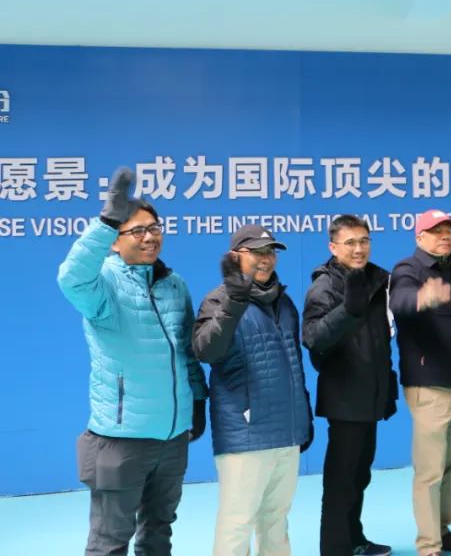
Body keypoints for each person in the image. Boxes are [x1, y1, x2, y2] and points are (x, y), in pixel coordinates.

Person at [57, 167, 208, 556]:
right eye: (137, 230)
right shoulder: (102, 285)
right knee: (110, 542)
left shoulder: (174, 284)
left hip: (172, 437)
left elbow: (185, 349)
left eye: (154, 228)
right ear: (114, 241)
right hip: (122, 438)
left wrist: (197, 399)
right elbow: (71, 278)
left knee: (159, 531)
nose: (150, 237)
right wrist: (106, 221)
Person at [193, 225, 313, 556]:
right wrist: (234, 300)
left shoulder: (284, 302)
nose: (266, 259)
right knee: (237, 522)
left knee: (276, 519)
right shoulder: (218, 299)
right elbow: (206, 351)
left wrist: (303, 417)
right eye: (257, 252)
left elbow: (294, 364)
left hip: (286, 432)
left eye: (270, 252)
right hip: (245, 434)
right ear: (235, 257)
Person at [388, 209, 451, 556]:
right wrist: (421, 298)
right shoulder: (408, 270)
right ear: (420, 237)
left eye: (449, 230)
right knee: (430, 469)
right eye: (436, 231)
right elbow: (399, 302)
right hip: (429, 385)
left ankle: (443, 531)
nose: (445, 236)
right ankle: (429, 545)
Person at [302, 215, 397, 556]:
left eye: (364, 241)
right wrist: (348, 310)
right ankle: (335, 549)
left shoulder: (378, 279)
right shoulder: (325, 286)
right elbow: (313, 338)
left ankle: (354, 540)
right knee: (341, 482)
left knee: (359, 476)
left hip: (371, 395)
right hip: (344, 397)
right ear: (333, 247)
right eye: (350, 242)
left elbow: (381, 339)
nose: (359, 249)